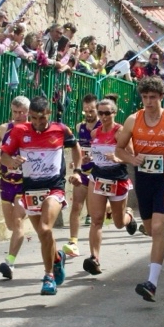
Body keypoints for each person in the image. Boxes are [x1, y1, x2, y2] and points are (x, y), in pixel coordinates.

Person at [116, 76, 164, 302]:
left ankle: (151, 283)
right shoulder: (132, 120)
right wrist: (132, 158)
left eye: (153, 97)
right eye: (144, 97)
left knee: (158, 229)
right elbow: (119, 149)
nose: (148, 102)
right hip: (144, 180)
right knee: (151, 230)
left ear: (162, 97)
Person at [0, 96, 83, 296]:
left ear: (49, 115)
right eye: (34, 118)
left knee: (46, 228)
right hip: (30, 189)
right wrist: (11, 162)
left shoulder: (61, 129)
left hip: (54, 187)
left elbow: (76, 148)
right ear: (29, 116)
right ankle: (57, 257)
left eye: (42, 119)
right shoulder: (19, 131)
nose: (38, 123)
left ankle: (48, 276)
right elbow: (4, 155)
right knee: (43, 235)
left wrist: (78, 170)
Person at [83, 97, 139, 274]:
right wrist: (89, 159)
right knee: (96, 219)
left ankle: (129, 216)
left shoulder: (120, 132)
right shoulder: (94, 133)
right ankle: (94, 258)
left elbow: (132, 156)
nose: (104, 116)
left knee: (118, 223)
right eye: (100, 113)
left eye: (107, 113)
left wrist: (118, 158)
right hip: (98, 177)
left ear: (114, 113)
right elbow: (97, 154)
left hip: (117, 178)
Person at [0, 96, 30, 279]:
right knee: (11, 225)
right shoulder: (5, 129)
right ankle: (16, 243)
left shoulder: (33, 131)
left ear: (28, 112)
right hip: (6, 181)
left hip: (25, 183)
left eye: (22, 112)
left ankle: (9, 262)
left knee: (18, 222)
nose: (19, 116)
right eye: (15, 112)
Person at [66, 94, 100, 258]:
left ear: (97, 109)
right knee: (76, 207)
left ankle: (123, 212)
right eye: (85, 110)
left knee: (96, 213)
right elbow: (77, 150)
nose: (88, 113)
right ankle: (73, 242)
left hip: (100, 175)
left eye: (91, 110)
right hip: (84, 174)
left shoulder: (103, 126)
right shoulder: (80, 126)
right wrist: (76, 163)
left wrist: (95, 156)